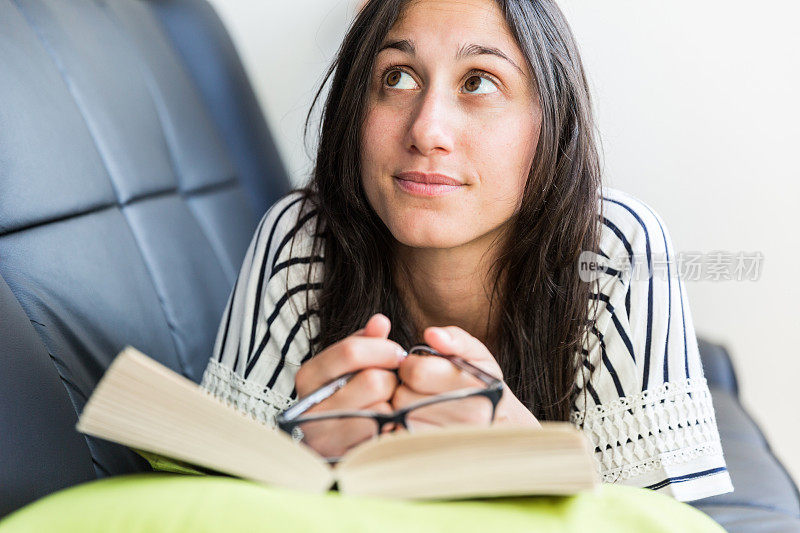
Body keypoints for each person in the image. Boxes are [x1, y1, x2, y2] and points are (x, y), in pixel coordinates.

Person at [200, 0, 733, 502]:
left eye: (478, 81)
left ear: (551, 119)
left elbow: (662, 518)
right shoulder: (300, 235)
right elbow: (203, 496)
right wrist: (298, 462)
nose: (427, 130)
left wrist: (526, 460)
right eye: (397, 77)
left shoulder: (620, 247)